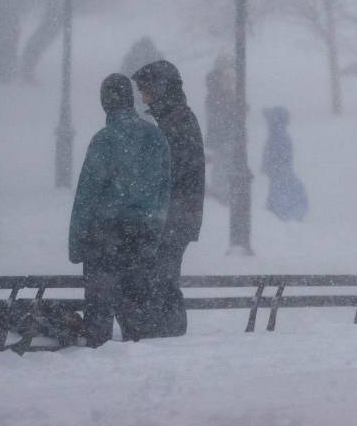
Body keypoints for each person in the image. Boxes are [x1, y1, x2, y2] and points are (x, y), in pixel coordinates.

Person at [68, 74, 172, 346]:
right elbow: (164, 192)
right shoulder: (155, 137)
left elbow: (86, 197)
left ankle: (99, 369)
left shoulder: (104, 140)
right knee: (136, 315)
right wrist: (154, 232)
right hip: (143, 235)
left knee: (99, 316)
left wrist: (76, 241)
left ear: (105, 102)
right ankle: (135, 363)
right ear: (130, 99)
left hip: (103, 237)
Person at [131, 60, 205, 338]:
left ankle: (168, 333)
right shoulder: (175, 117)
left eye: (146, 89)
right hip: (176, 216)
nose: (143, 96)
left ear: (160, 89)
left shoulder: (177, 121)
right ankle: (164, 330)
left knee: (162, 277)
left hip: (174, 217)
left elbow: (172, 173)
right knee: (162, 276)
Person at [204, 55, 240, 202]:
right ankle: (223, 193)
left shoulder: (218, 93)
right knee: (223, 163)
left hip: (224, 135)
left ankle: (223, 191)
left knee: (224, 162)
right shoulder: (217, 94)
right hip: (224, 135)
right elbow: (220, 117)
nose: (230, 82)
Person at [261, 107, 308, 222]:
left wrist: (267, 167)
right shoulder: (280, 135)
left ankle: (283, 214)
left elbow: (273, 156)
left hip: (279, 172)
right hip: (281, 172)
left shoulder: (277, 136)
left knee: (281, 192)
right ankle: (288, 212)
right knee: (285, 191)